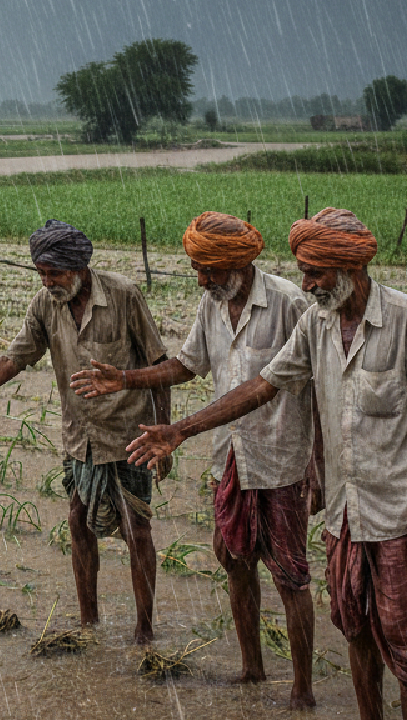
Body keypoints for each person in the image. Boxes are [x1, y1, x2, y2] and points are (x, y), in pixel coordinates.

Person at [124, 208, 407, 720]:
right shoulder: (316, 323)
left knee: (406, 647)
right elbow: (261, 386)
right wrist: (181, 430)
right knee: (357, 629)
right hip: (345, 513)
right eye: (304, 271)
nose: (308, 283)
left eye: (316, 272)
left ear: (351, 267)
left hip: (398, 512)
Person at [69, 211, 319, 709]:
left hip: (282, 459)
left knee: (290, 576)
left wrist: (320, 466)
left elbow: (312, 387)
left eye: (210, 269)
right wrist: (126, 378)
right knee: (235, 562)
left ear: (238, 263)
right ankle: (251, 670)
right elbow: (186, 364)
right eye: (196, 269)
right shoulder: (211, 303)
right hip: (230, 456)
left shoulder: (291, 304)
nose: (202, 279)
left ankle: (302, 689)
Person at [0, 219, 171, 643]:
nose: (48, 282)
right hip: (79, 439)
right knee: (78, 522)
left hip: (130, 436)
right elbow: (13, 361)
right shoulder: (44, 305)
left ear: (79, 266)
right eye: (41, 273)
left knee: (136, 529)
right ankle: (90, 622)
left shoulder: (123, 295)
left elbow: (160, 366)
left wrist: (164, 434)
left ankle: (145, 629)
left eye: (55, 273)